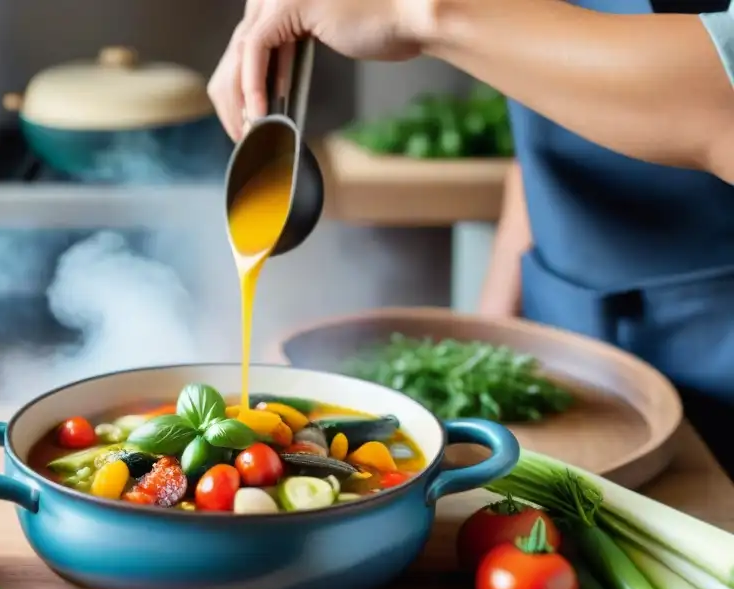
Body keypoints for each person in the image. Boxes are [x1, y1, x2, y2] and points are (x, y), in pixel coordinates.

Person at [208, 0, 734, 474]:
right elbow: (545, 130)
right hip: (572, 357)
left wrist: (417, 13)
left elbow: (722, 106)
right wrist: (491, 332)